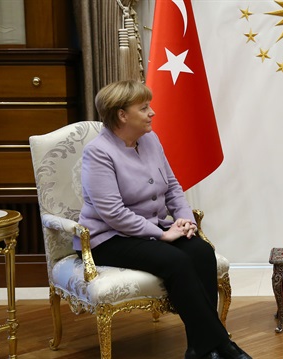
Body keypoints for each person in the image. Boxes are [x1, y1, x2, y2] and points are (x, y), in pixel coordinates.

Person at [77, 80, 252, 359]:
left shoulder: (150, 140)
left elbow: (172, 186)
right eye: (144, 107)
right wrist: (161, 234)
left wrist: (184, 220)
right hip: (109, 238)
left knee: (201, 251)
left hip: (152, 229)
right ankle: (222, 345)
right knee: (177, 261)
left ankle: (198, 348)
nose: (152, 113)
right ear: (122, 115)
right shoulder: (98, 152)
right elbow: (112, 212)